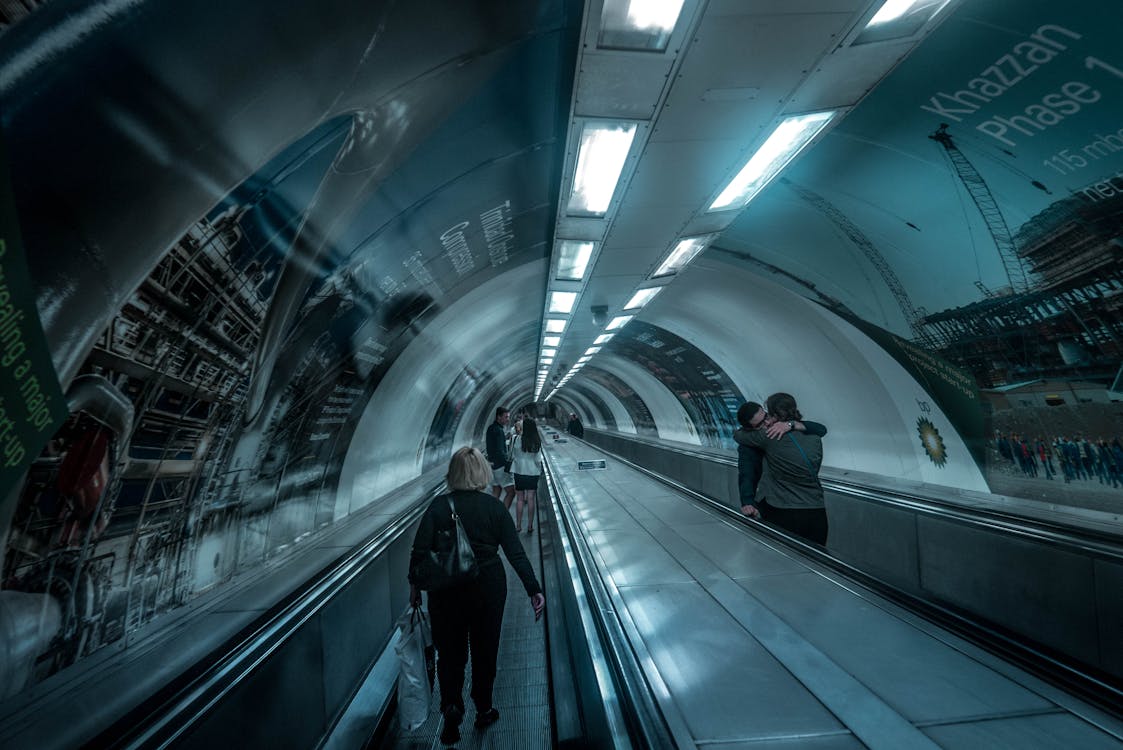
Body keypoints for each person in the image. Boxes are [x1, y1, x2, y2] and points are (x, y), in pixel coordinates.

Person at [408, 447, 546, 745]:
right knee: (485, 651)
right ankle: (483, 708)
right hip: (488, 587)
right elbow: (515, 553)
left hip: (445, 590)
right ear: (482, 473)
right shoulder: (494, 508)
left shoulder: (438, 507)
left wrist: (414, 588)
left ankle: (451, 709)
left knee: (450, 655)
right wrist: (533, 589)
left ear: (453, 474)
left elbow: (420, 551)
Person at [733, 393, 828, 545]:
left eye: (767, 416)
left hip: (784, 510)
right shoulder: (814, 435)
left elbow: (737, 435)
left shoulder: (768, 436)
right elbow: (822, 429)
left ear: (775, 414)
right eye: (760, 423)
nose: (767, 423)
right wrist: (793, 424)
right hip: (817, 510)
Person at [510, 417, 544, 533]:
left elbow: (512, 454)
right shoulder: (536, 441)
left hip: (519, 472)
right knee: (530, 499)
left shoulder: (516, 439)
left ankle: (518, 525)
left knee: (519, 499)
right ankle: (530, 526)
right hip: (532, 473)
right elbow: (538, 460)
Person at [486, 406, 515, 508]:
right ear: (499, 417)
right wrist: (507, 464)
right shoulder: (498, 430)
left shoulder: (490, 428)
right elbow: (499, 451)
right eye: (506, 417)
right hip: (500, 466)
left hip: (493, 465)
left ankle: (492, 514)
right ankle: (503, 516)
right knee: (511, 491)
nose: (508, 419)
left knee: (496, 490)